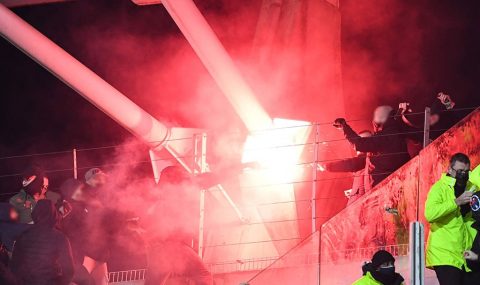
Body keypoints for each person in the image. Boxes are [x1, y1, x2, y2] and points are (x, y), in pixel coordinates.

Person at [145, 166, 213, 285]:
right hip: (173, 247)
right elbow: (208, 179)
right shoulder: (178, 190)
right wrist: (242, 166)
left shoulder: (157, 194)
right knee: (203, 275)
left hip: (156, 249)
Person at [425, 153, 479, 285]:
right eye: (460, 171)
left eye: (467, 171)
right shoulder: (439, 188)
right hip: (445, 254)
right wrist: (456, 202)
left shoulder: (472, 187)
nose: (464, 174)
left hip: (466, 253)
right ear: (450, 169)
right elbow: (430, 214)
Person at [334, 105, 410, 186]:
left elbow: (359, 144)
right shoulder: (397, 132)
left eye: (377, 116)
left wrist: (344, 126)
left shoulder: (384, 137)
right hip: (397, 179)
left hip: (385, 183)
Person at [10, 199, 74, 285]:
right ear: (53, 215)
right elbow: (69, 270)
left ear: (35, 214)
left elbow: (14, 265)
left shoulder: (23, 235)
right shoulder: (60, 237)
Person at [321, 130, 373, 205]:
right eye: (360, 140)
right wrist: (354, 191)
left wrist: (327, 166)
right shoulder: (363, 164)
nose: (362, 143)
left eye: (365, 140)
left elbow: (351, 164)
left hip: (365, 204)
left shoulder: (368, 158)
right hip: (359, 204)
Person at [398, 92, 458, 157]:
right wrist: (404, 114)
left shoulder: (444, 124)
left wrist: (449, 104)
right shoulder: (424, 133)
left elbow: (456, 119)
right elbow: (414, 130)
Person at [60, 178, 95, 285]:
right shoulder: (65, 208)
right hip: (72, 258)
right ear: (71, 192)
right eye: (78, 189)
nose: (81, 191)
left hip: (82, 255)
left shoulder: (81, 206)